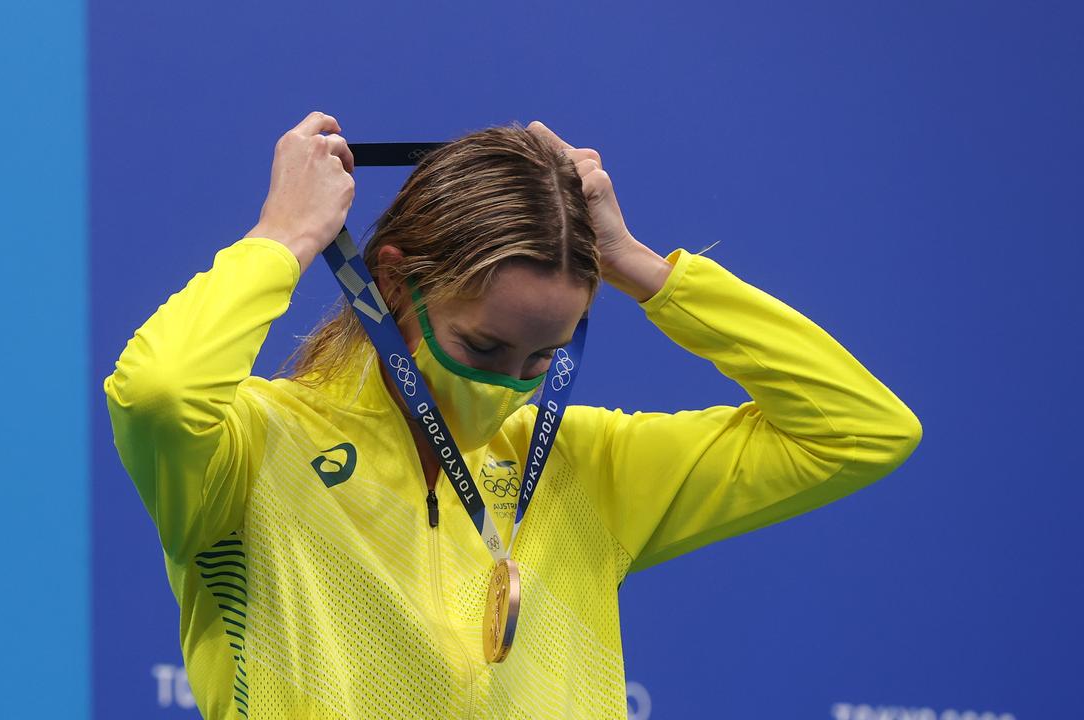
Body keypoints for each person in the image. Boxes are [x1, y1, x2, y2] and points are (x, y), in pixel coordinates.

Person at [104, 110, 922, 719]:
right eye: (484, 347)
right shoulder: (246, 451)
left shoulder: (588, 464)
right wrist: (281, 237)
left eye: (545, 359)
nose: (510, 386)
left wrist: (643, 269)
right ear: (395, 283)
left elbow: (862, 429)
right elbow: (160, 390)